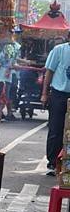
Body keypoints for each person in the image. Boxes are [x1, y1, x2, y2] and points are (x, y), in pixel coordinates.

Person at [41, 31, 70, 176]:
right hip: (59, 95)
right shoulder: (59, 50)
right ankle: (52, 163)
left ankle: (67, 164)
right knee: (56, 130)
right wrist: (45, 94)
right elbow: (49, 72)